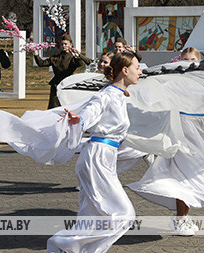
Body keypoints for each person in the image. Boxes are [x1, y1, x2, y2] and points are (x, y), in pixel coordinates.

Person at [47, 52, 141, 253]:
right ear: (125, 71)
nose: (140, 72)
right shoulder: (106, 95)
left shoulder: (118, 95)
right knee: (124, 214)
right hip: (96, 157)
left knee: (93, 216)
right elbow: (91, 111)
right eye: (137, 68)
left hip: (102, 156)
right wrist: (79, 120)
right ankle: (61, 244)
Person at [128, 47, 204, 236]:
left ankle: (182, 216)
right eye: (184, 59)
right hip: (181, 128)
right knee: (183, 174)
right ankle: (180, 219)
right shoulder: (173, 80)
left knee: (201, 173)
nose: (188, 62)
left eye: (192, 59)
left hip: (201, 129)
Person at [32, 34, 92, 109]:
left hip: (67, 86)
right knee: (53, 108)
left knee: (67, 108)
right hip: (56, 85)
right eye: (62, 44)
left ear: (71, 45)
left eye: (66, 44)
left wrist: (77, 55)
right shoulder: (55, 57)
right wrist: (35, 53)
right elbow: (41, 63)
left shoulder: (72, 58)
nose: (63, 46)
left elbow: (81, 64)